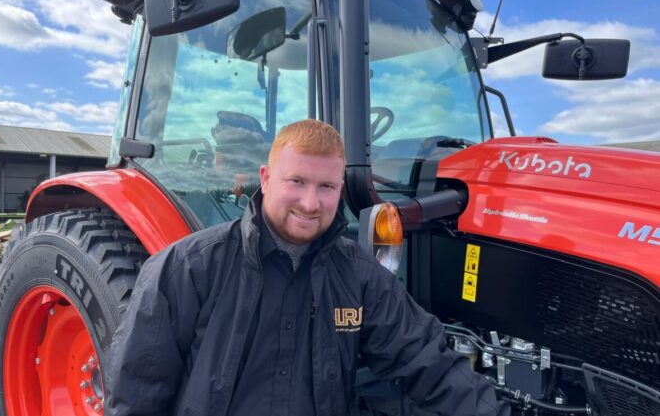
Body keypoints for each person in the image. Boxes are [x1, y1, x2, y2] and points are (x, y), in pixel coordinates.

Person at [105, 119, 509, 416]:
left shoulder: (359, 277)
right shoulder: (187, 269)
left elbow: (427, 358)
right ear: (266, 178)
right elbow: (137, 396)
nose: (311, 203)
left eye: (326, 187)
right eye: (296, 182)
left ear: (340, 188)